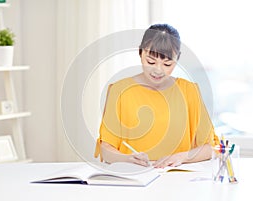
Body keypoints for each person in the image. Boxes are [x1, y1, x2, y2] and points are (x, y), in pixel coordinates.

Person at [94, 24, 219, 168]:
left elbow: (211, 148)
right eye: (151, 62)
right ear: (140, 53)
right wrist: (127, 158)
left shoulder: (189, 91)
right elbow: (106, 149)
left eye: (167, 64)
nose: (158, 70)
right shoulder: (119, 90)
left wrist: (182, 156)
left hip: (179, 181)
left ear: (177, 59)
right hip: (134, 178)